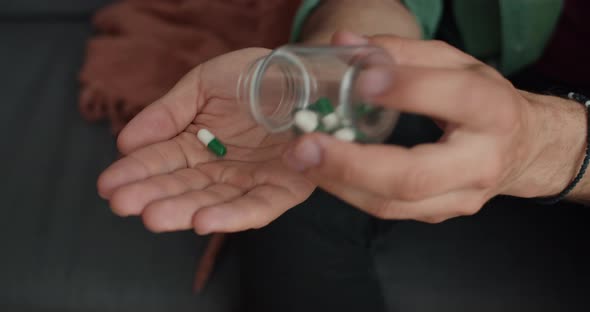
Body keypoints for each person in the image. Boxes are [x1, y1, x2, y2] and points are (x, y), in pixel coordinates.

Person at [98, 0, 590, 311]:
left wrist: (546, 146)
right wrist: (333, 60)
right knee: (292, 190)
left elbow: (547, 146)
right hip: (464, 64)